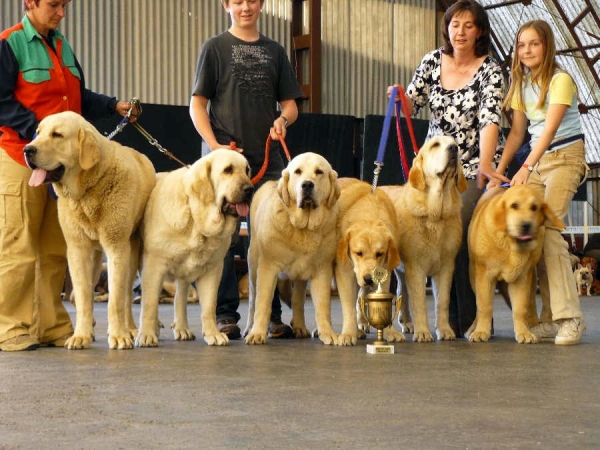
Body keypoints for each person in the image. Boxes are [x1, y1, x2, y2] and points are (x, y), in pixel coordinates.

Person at [0, 0, 135, 352]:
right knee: (18, 245)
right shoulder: (9, 43)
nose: (61, 12)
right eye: (54, 4)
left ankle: (51, 324)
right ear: (30, 3)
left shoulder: (62, 46)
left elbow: (75, 100)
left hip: (61, 168)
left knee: (54, 249)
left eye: (65, 5)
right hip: (21, 157)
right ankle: (11, 327)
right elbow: (1, 101)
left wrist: (112, 106)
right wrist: (40, 136)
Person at [389, 0, 508, 337]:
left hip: (471, 166)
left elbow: (490, 119)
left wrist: (485, 165)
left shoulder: (491, 70)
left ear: (480, 31)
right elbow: (412, 102)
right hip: (432, 165)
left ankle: (468, 321)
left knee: (462, 237)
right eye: (455, 24)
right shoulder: (431, 61)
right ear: (447, 28)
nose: (460, 31)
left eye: (469, 25)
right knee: (415, 243)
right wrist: (399, 97)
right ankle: (414, 318)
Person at [189, 0, 303, 340]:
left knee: (269, 238)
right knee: (221, 239)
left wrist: (283, 120)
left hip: (267, 162)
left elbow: (291, 105)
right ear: (226, 5)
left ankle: (270, 315)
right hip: (224, 163)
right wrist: (215, 147)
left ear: (262, 4)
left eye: (252, 0)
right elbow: (197, 105)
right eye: (237, 1)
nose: (245, 7)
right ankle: (225, 314)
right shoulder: (214, 48)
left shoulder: (275, 51)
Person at [490, 20, 586, 345]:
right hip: (537, 162)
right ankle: (543, 319)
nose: (527, 50)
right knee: (526, 230)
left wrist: (526, 166)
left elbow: (548, 130)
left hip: (565, 157)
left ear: (546, 46)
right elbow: (518, 133)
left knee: (550, 232)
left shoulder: (561, 80)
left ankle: (569, 319)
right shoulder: (520, 86)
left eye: (534, 44)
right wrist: (498, 171)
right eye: (521, 45)